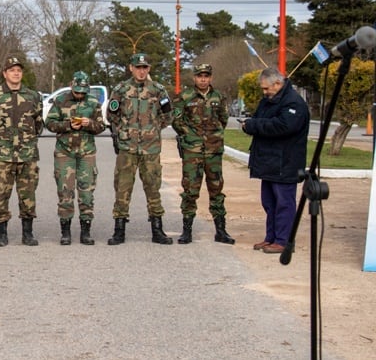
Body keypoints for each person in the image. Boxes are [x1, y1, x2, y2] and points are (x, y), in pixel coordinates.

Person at [106, 52, 173, 246]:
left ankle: (157, 229)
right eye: (138, 67)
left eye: (144, 68)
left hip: (150, 148)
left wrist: (153, 129)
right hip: (127, 147)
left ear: (148, 69)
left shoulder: (158, 90)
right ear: (131, 68)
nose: (141, 71)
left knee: (153, 187)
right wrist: (125, 130)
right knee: (122, 188)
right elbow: (112, 114)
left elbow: (167, 115)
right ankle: (119, 230)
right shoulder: (121, 89)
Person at [241, 67, 309, 254]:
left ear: (277, 84)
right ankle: (270, 237)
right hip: (268, 162)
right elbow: (259, 119)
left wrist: (254, 125)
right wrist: (249, 125)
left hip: (284, 163)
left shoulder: (294, 103)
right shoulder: (269, 100)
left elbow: (283, 126)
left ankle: (284, 240)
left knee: (284, 203)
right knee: (269, 203)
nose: (264, 92)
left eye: (266, 88)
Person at [0, 56, 43, 247]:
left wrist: (28, 142)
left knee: (28, 194)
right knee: (1, 194)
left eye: (19, 70)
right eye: (12, 70)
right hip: (2, 155)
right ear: (4, 73)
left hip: (27, 154)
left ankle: (28, 233)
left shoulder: (33, 96)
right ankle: (1, 234)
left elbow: (39, 123)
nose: (16, 73)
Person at [171, 64, 234, 245]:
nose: (203, 79)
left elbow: (224, 119)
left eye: (206, 76)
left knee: (216, 189)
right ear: (194, 78)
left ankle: (220, 230)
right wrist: (191, 136)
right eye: (200, 76)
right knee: (190, 190)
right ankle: (187, 230)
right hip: (193, 152)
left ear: (211, 78)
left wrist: (213, 135)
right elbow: (176, 120)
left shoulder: (219, 97)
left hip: (214, 151)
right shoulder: (185, 97)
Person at [44, 71, 106, 246]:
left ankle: (86, 231)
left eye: (83, 92)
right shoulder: (61, 100)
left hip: (86, 152)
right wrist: (68, 125)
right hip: (65, 152)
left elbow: (101, 126)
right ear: (72, 86)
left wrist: (89, 124)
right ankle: (65, 231)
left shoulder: (93, 103)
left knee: (86, 191)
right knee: (65, 191)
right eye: (77, 91)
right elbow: (49, 123)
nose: (80, 95)